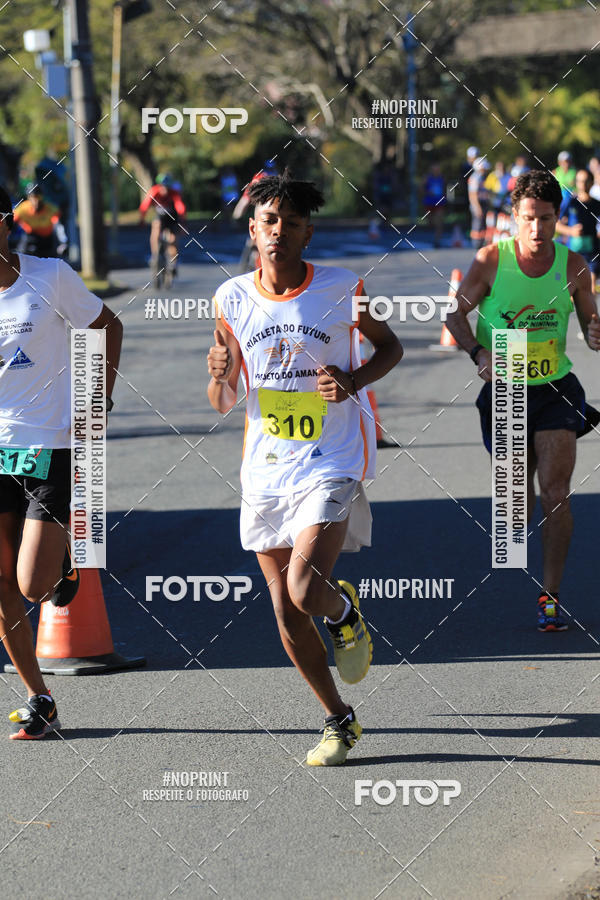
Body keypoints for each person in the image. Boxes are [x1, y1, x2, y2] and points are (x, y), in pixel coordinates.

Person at [207, 171, 402, 765]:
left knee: (304, 588)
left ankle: (342, 611)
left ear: (307, 233)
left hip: (331, 459)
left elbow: (390, 347)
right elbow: (222, 400)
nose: (279, 232)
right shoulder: (230, 299)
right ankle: (338, 718)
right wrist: (220, 374)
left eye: (291, 223)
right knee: (287, 615)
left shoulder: (344, 288)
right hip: (266, 467)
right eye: (270, 221)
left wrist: (352, 380)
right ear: (253, 229)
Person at [446, 170, 600, 631]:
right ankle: (519, 545)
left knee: (556, 493)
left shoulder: (574, 266)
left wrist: (595, 333)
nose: (537, 229)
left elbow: (591, 327)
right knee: (517, 503)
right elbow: (454, 315)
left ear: (557, 218)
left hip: (556, 388)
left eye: (546, 219)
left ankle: (550, 596)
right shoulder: (492, 259)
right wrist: (478, 352)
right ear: (515, 216)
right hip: (507, 386)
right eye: (529, 218)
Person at [0, 186, 123, 738]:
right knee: (1, 586)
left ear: (6, 222)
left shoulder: (48, 277)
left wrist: (99, 400)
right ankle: (39, 697)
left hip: (48, 443)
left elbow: (107, 326)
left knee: (30, 585)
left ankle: (65, 558)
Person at [555, 169, 600, 293]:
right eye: (580, 181)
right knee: (572, 291)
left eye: (586, 181)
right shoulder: (571, 202)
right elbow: (555, 223)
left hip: (592, 254)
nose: (583, 184)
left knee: (591, 289)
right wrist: (570, 231)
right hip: (573, 252)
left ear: (592, 183)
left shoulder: (597, 205)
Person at [138, 173, 187, 278]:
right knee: (156, 228)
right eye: (162, 186)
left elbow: (180, 207)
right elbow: (145, 206)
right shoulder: (154, 191)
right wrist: (142, 219)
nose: (164, 189)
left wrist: (183, 222)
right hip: (160, 217)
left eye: (167, 187)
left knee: (173, 239)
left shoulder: (174, 193)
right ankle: (155, 256)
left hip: (172, 217)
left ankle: (173, 264)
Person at [13, 184, 61, 258]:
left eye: (38, 197)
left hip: (47, 240)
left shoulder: (51, 209)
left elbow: (59, 226)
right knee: (21, 255)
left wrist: (62, 241)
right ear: (28, 198)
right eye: (33, 197)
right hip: (29, 238)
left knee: (52, 258)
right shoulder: (22, 209)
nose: (36, 201)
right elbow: (10, 222)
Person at [468, 157, 490, 248]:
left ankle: (481, 243)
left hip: (483, 203)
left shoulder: (482, 177)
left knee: (482, 225)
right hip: (478, 204)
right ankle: (476, 244)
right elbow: (472, 195)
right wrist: (477, 208)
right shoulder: (475, 178)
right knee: (477, 225)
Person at [422, 163, 447, 248]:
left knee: (439, 222)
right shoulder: (427, 178)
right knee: (430, 222)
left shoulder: (442, 178)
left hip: (439, 203)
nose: (436, 171)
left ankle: (437, 240)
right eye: (435, 170)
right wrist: (428, 192)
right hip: (429, 203)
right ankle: (433, 235)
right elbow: (421, 189)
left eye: (438, 170)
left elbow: (444, 189)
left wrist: (444, 198)